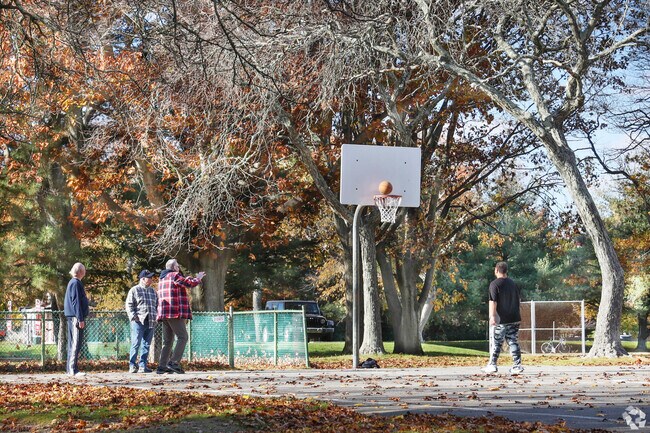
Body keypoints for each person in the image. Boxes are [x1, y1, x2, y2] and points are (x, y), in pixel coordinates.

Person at [156, 259, 205, 374]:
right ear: (174, 267)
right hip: (174, 312)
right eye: (178, 266)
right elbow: (188, 283)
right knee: (183, 337)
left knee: (168, 341)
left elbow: (182, 282)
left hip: (164, 313)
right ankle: (174, 362)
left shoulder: (162, 278)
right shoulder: (174, 275)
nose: (179, 268)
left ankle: (162, 366)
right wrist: (198, 278)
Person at [483, 261, 524, 375]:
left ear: (496, 270)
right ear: (506, 271)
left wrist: (492, 316)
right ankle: (517, 365)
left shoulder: (494, 284)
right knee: (513, 341)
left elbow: (493, 302)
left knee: (496, 342)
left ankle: (492, 365)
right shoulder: (513, 284)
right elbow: (518, 300)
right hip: (515, 317)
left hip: (501, 319)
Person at [125, 269, 158, 373]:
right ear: (143, 279)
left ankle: (143, 365)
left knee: (146, 344)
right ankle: (132, 365)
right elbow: (129, 305)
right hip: (138, 322)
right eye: (149, 277)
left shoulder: (153, 291)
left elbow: (156, 305)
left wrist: (156, 316)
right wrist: (134, 317)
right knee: (136, 343)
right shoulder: (134, 290)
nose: (151, 279)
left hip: (151, 320)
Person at [64, 262, 89, 377]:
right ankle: (72, 369)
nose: (85, 272)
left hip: (75, 317)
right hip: (75, 318)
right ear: (79, 271)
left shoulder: (75, 283)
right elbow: (76, 301)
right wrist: (80, 318)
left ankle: (72, 368)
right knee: (75, 343)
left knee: (75, 343)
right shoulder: (75, 283)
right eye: (83, 270)